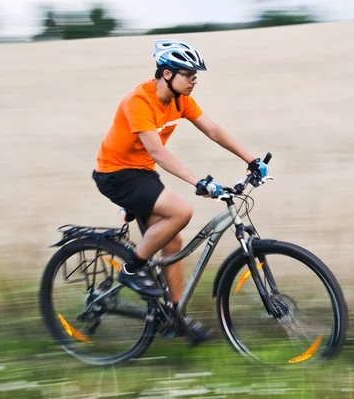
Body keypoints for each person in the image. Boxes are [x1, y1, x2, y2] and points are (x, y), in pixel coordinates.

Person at [92, 39, 268, 345]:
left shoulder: (179, 101)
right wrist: (198, 181)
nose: (194, 80)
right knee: (182, 211)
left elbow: (213, 129)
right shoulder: (139, 101)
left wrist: (250, 159)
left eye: (196, 75)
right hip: (116, 174)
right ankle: (132, 270)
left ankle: (176, 318)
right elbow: (157, 152)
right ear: (167, 74)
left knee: (173, 239)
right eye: (189, 74)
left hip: (142, 173)